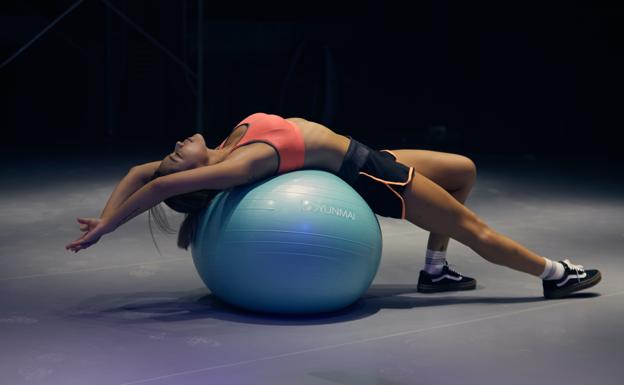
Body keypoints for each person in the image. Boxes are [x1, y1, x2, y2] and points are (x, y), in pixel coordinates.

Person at [65, 112, 601, 299]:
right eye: (175, 156)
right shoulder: (232, 166)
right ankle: (554, 273)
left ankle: (435, 272)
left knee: (463, 169)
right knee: (473, 229)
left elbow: (141, 174)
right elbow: (155, 187)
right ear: (195, 176)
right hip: (370, 174)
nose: (175, 145)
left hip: (364, 153)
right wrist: (109, 229)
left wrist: (107, 211)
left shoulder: (225, 148)